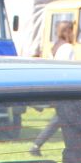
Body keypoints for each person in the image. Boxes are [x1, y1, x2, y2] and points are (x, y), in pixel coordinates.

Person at [29, 22, 74, 155]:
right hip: (66, 88)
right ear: (68, 31)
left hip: (57, 85)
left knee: (61, 119)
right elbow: (70, 69)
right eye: (72, 31)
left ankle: (37, 145)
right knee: (61, 119)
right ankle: (37, 145)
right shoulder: (68, 48)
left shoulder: (55, 46)